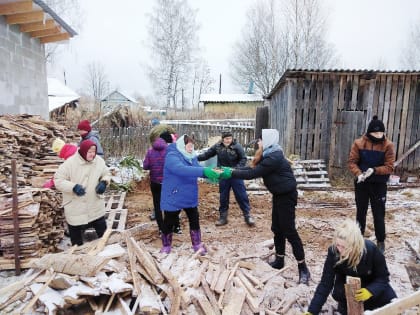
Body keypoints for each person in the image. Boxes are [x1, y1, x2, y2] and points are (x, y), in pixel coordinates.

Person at [221, 129, 311, 284]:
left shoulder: (273, 158)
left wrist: (231, 173)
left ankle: (303, 268)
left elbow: (252, 174)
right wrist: (231, 170)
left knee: (289, 230)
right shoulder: (269, 154)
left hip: (286, 196)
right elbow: (250, 168)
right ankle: (279, 260)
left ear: (268, 141)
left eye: (260, 140)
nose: (258, 142)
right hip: (279, 195)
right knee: (277, 228)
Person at [303, 219, 397, 315]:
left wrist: (370, 291)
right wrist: (311, 311)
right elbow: (325, 283)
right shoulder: (333, 251)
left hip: (370, 284)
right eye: (338, 245)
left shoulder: (371, 250)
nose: (340, 250)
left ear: (354, 244)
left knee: (392, 303)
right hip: (348, 288)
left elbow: (383, 278)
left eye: (344, 247)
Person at [159, 134, 220, 254]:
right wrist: (204, 171)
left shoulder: (192, 156)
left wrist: (212, 172)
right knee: (169, 220)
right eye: (189, 146)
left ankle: (197, 245)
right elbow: (181, 169)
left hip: (189, 193)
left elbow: (197, 169)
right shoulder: (172, 156)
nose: (191, 149)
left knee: (194, 218)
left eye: (192, 146)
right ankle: (166, 246)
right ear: (182, 145)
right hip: (174, 193)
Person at [348, 115, 395, 253]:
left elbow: (390, 167)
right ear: (369, 133)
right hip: (362, 183)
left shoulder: (388, 145)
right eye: (375, 133)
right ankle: (358, 240)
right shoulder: (359, 143)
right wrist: (359, 174)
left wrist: (374, 170)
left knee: (379, 214)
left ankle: (380, 241)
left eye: (381, 133)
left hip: (379, 185)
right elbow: (352, 162)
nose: (378, 135)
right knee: (360, 212)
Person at [54, 139, 111, 246]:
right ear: (83, 151)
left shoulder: (98, 161)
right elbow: (58, 180)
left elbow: (106, 173)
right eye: (89, 152)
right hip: (76, 207)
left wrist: (104, 182)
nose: (92, 154)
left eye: (94, 152)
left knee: (103, 235)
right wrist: (73, 187)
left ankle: (105, 251)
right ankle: (77, 255)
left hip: (95, 205)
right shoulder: (70, 163)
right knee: (76, 238)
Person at [197, 130, 255, 226]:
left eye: (230, 138)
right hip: (223, 174)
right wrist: (194, 158)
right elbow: (206, 155)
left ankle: (247, 215)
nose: (228, 140)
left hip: (236, 174)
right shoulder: (218, 146)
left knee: (241, 195)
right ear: (223, 139)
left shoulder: (237, 146)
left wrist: (236, 169)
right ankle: (223, 217)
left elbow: (243, 158)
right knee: (223, 196)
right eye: (226, 138)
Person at [143, 131, 181, 234]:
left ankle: (161, 229)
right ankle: (176, 227)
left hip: (155, 183)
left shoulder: (150, 151)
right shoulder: (170, 151)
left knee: (158, 206)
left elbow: (145, 166)